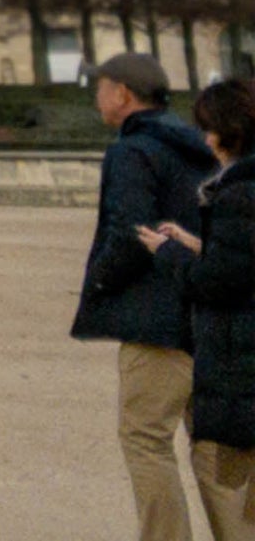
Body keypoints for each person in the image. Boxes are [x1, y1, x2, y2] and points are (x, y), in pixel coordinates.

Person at [73, 51, 235, 540]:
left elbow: (130, 232)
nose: (96, 96)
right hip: (212, 314)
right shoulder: (204, 149)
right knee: (214, 444)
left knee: (146, 440)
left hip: (158, 319)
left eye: (100, 87)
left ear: (122, 94)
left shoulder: (132, 151)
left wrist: (100, 283)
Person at [139, 76, 255, 537]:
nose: (205, 139)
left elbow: (219, 283)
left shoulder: (240, 193)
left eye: (210, 128)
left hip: (240, 364)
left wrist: (168, 255)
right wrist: (197, 244)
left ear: (231, 132)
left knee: (233, 484)